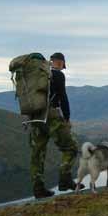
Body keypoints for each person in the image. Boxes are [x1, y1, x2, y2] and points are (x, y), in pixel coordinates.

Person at [29, 52, 82, 198]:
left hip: (34, 117)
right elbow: (63, 96)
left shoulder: (34, 75)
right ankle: (65, 180)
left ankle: (38, 189)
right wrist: (67, 117)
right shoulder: (57, 75)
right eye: (62, 65)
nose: (62, 68)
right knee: (71, 147)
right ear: (59, 62)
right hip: (51, 115)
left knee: (37, 153)